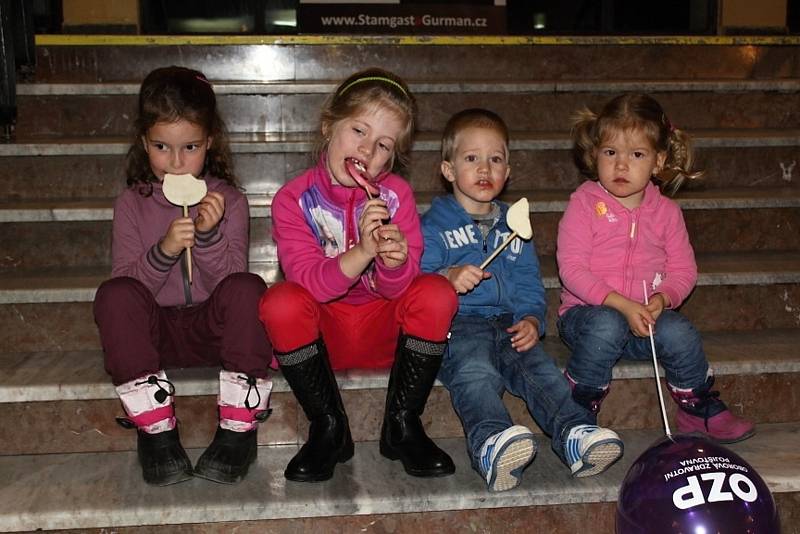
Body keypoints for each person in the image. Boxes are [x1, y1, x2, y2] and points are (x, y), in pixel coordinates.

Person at [258, 67, 458, 483]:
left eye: (383, 145)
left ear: (393, 156)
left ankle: (402, 424)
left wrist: (392, 260)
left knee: (437, 292)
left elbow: (398, 289)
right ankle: (329, 427)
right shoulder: (293, 199)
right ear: (330, 125)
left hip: (382, 333)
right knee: (279, 302)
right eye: (359, 131)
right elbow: (310, 282)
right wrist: (362, 251)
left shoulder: (396, 196)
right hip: (319, 342)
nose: (368, 151)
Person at [421, 108, 624, 492]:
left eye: (495, 159)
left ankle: (575, 434)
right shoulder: (433, 225)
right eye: (471, 158)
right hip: (457, 325)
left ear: (508, 171)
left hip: (509, 323)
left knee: (542, 372)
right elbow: (416, 279)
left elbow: (530, 283)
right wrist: (446, 278)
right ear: (448, 170)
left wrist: (533, 319)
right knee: (475, 373)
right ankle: (490, 442)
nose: (485, 168)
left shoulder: (513, 227)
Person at [93, 66, 273, 486]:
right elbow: (128, 287)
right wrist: (164, 251)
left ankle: (238, 429)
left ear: (209, 142)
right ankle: (156, 432)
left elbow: (230, 284)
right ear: (144, 143)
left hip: (212, 329)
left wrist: (207, 239)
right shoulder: (132, 204)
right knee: (113, 296)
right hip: (155, 335)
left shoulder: (228, 201)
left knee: (250, 289)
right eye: (162, 147)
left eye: (190, 146)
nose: (176, 162)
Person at [558, 93, 754, 443]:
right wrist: (621, 304)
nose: (621, 165)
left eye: (636, 155)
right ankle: (576, 409)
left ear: (658, 160)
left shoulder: (667, 213)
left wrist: (662, 300)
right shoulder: (584, 203)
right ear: (594, 155)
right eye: (610, 152)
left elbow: (683, 271)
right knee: (606, 326)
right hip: (588, 318)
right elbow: (571, 269)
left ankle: (695, 406)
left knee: (678, 332)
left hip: (645, 321)